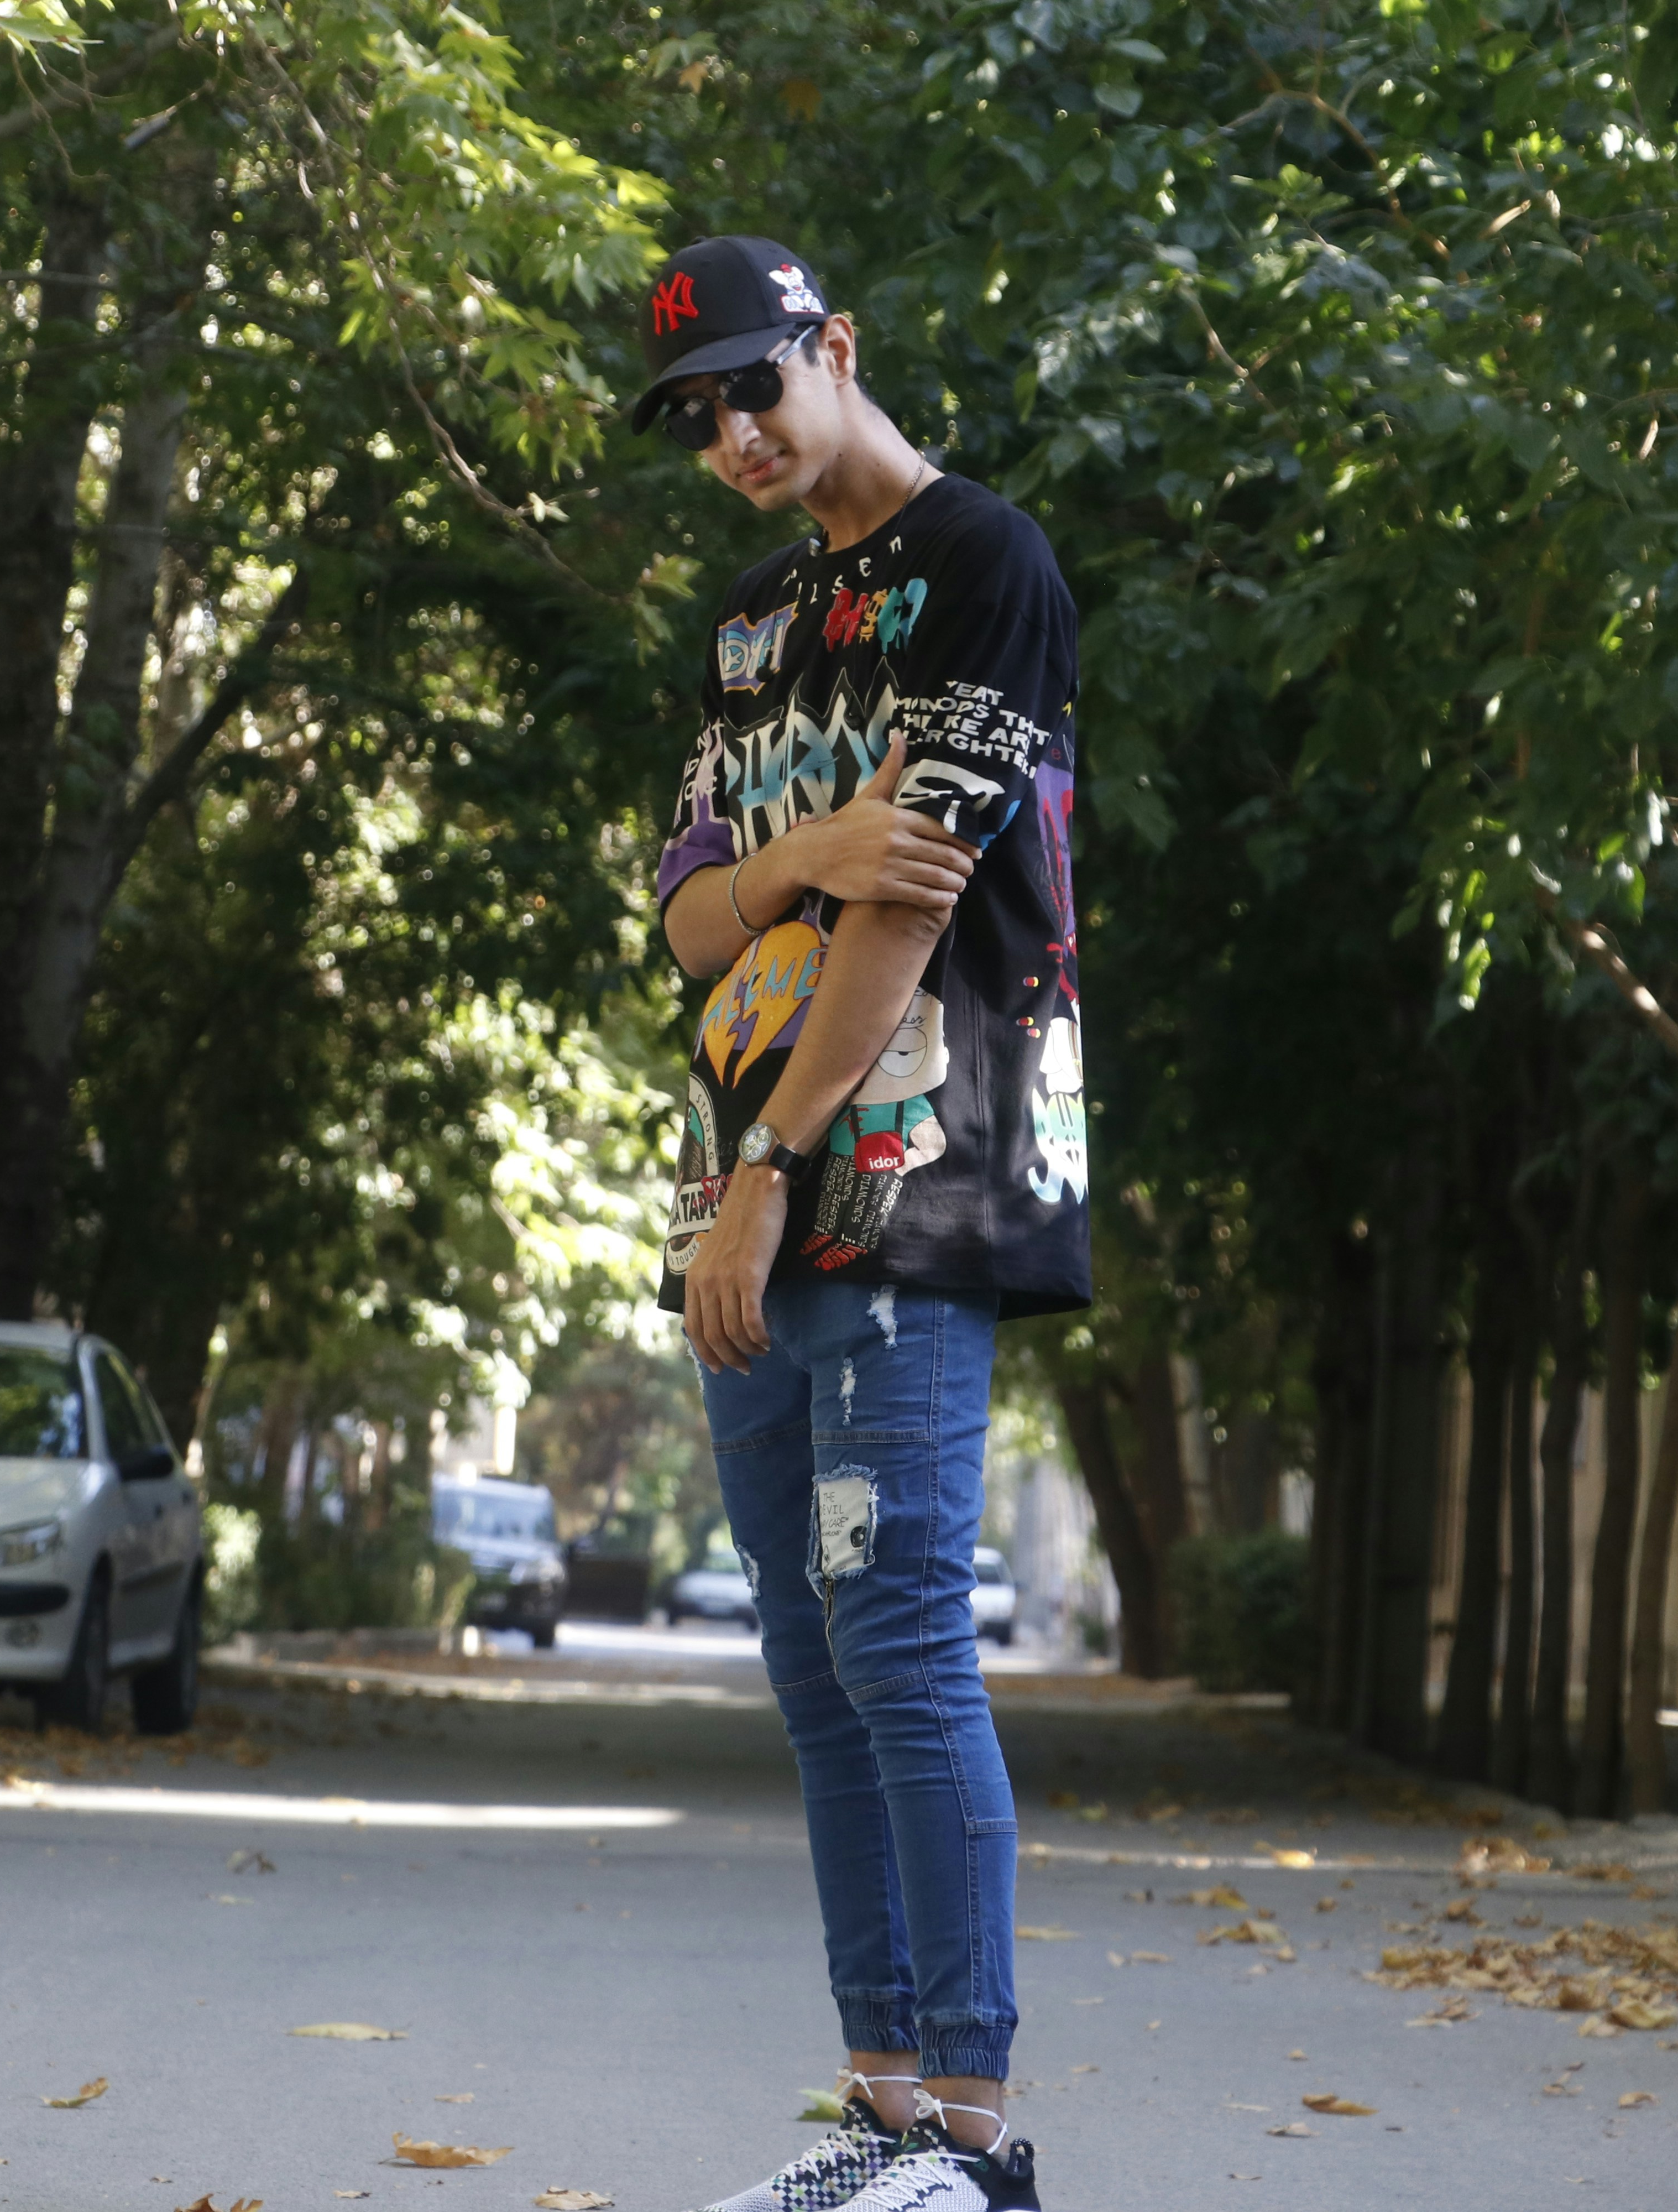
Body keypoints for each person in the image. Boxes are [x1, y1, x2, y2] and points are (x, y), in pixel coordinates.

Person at [637, 234, 1086, 2212]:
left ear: (834, 348)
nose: (733, 435)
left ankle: (975, 2142)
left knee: (900, 1633)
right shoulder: (751, 629)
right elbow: (686, 918)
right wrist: (805, 845)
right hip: (740, 1186)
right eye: (696, 418)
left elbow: (910, 906)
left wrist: (766, 1172)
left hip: (905, 1175)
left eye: (755, 386)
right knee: (809, 1661)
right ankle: (882, 2113)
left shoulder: (986, 564)